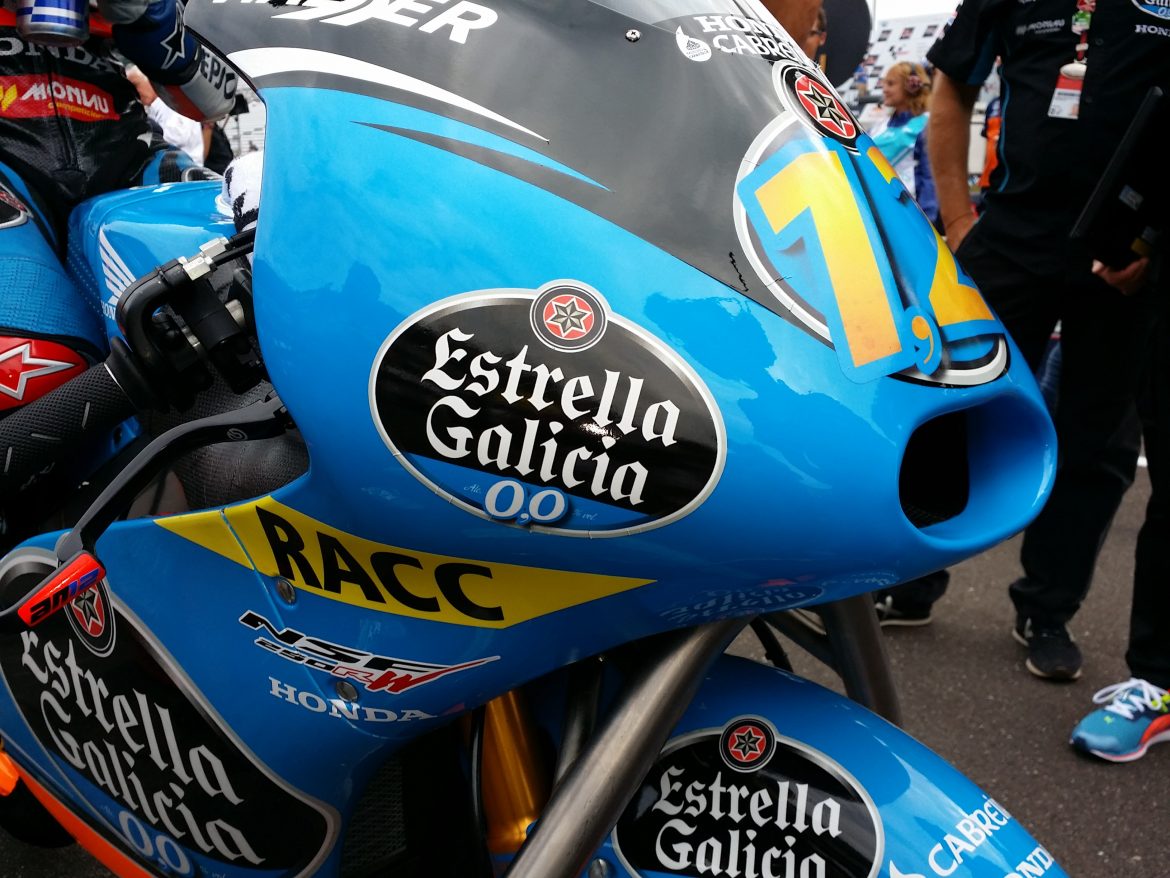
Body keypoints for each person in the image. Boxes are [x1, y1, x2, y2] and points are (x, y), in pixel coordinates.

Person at [902, 0, 1167, 695]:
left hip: (1124, 255)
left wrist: (1153, 242)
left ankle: (1048, 611)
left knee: (1097, 442)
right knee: (950, 411)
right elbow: (952, 86)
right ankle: (909, 580)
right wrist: (958, 219)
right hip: (1012, 236)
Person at [0, 0, 235, 534]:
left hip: (123, 149)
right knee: (33, 360)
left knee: (235, 304)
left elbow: (217, 99)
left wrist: (149, 15)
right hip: (9, 164)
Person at [870, 61, 939, 227]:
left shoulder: (926, 124)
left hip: (910, 214)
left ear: (911, 86)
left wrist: (927, 221)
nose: (884, 89)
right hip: (877, 211)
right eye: (884, 83)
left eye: (891, 84)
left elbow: (930, 177)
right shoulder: (879, 127)